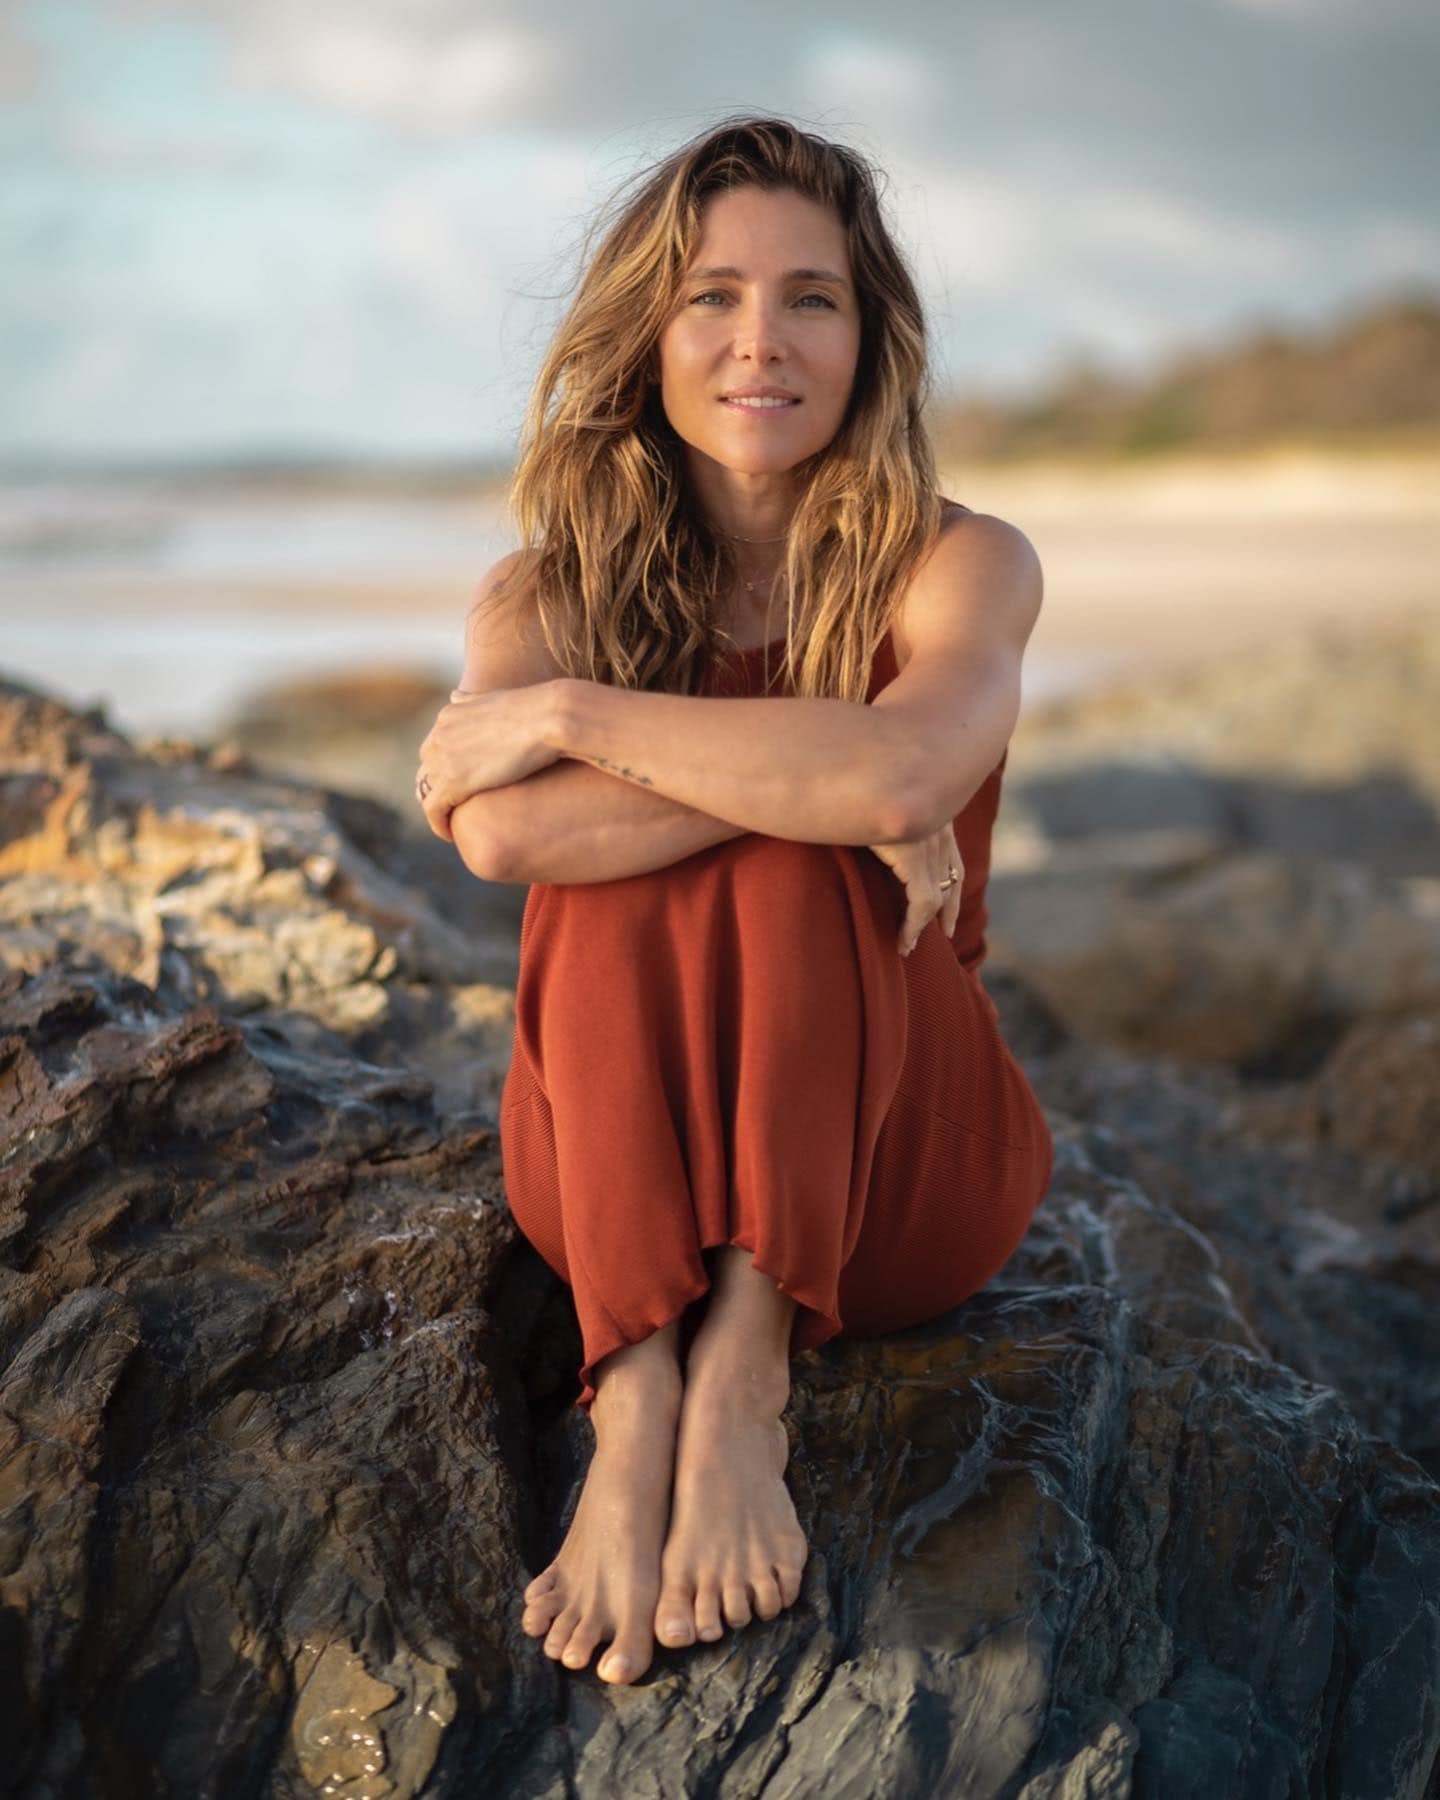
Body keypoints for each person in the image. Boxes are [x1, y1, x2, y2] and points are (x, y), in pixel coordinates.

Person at [414, 115, 1052, 1689]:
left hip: (899, 1157)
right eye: (712, 296)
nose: (760, 339)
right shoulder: (543, 586)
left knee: (803, 839)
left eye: (812, 298)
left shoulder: (960, 565)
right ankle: (632, 1391)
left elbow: (900, 779)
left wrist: (574, 722)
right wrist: (818, 767)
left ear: (871, 335)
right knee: (774, 823)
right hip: (612, 1151)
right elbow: (498, 844)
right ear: (650, 331)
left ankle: (749, 1374)